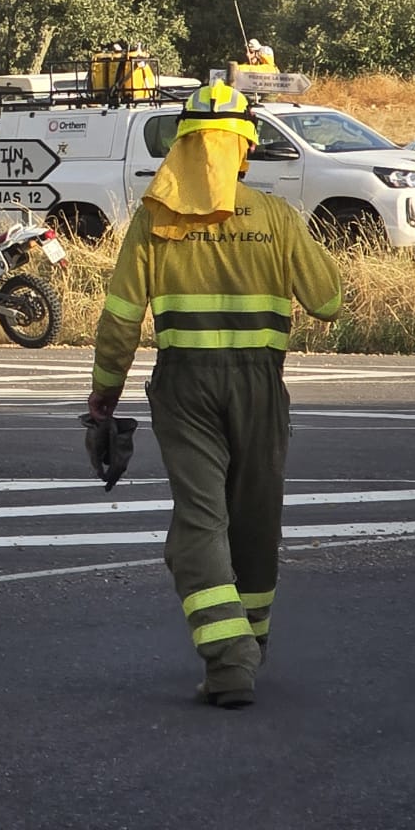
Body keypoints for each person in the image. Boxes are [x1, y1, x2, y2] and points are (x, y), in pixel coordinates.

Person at [90, 81, 343, 709]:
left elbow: (121, 320)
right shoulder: (277, 217)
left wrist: (103, 398)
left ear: (181, 146)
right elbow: (329, 301)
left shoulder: (154, 220)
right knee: (255, 518)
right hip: (260, 384)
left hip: (184, 384)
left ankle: (230, 659)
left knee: (200, 522)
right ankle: (249, 646)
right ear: (246, 152)